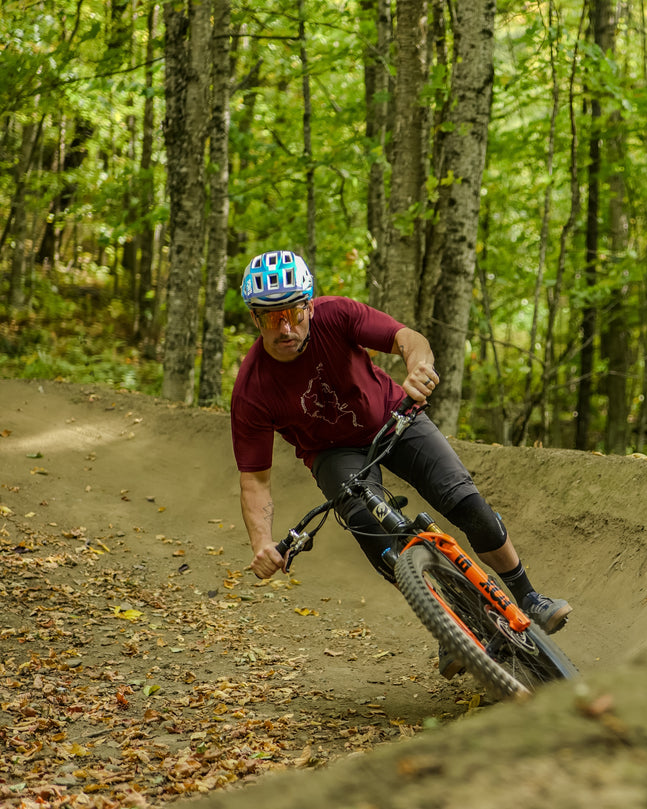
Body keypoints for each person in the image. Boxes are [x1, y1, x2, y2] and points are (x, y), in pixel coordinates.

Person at [229, 249, 571, 677]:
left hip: (395, 418)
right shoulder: (251, 388)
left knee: (466, 504)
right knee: (375, 535)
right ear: (254, 319)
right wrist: (262, 543)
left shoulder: (337, 316)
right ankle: (452, 628)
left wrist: (419, 368)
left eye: (294, 313)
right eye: (270, 316)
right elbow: (255, 478)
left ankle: (530, 597)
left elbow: (408, 339)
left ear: (310, 305)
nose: (285, 327)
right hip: (333, 454)